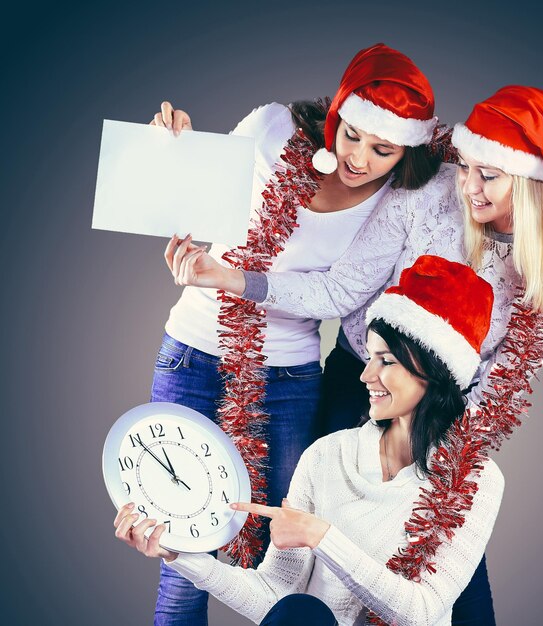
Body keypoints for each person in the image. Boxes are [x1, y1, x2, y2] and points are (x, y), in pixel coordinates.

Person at [172, 85, 543, 624]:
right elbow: (339, 289)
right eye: (466, 166)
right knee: (316, 555)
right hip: (363, 379)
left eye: (489, 175)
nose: (469, 186)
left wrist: (450, 452)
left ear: (529, 181)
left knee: (441, 568)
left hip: (450, 411)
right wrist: (236, 279)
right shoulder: (430, 194)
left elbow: (510, 373)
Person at [148, 43, 443, 625]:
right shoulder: (270, 127)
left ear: (405, 150)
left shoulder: (395, 200)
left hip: (288, 376)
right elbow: (196, 203)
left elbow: (339, 292)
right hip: (194, 352)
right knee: (182, 550)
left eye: (383, 149)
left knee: (278, 555)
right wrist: (174, 147)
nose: (359, 158)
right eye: (352, 135)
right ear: (337, 112)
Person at [115, 255, 505, 626]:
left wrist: (320, 536)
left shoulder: (474, 478)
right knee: (302, 612)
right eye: (369, 357)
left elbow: (420, 611)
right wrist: (181, 554)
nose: (366, 375)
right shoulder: (327, 456)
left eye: (386, 361)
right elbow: (274, 594)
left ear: (433, 371)